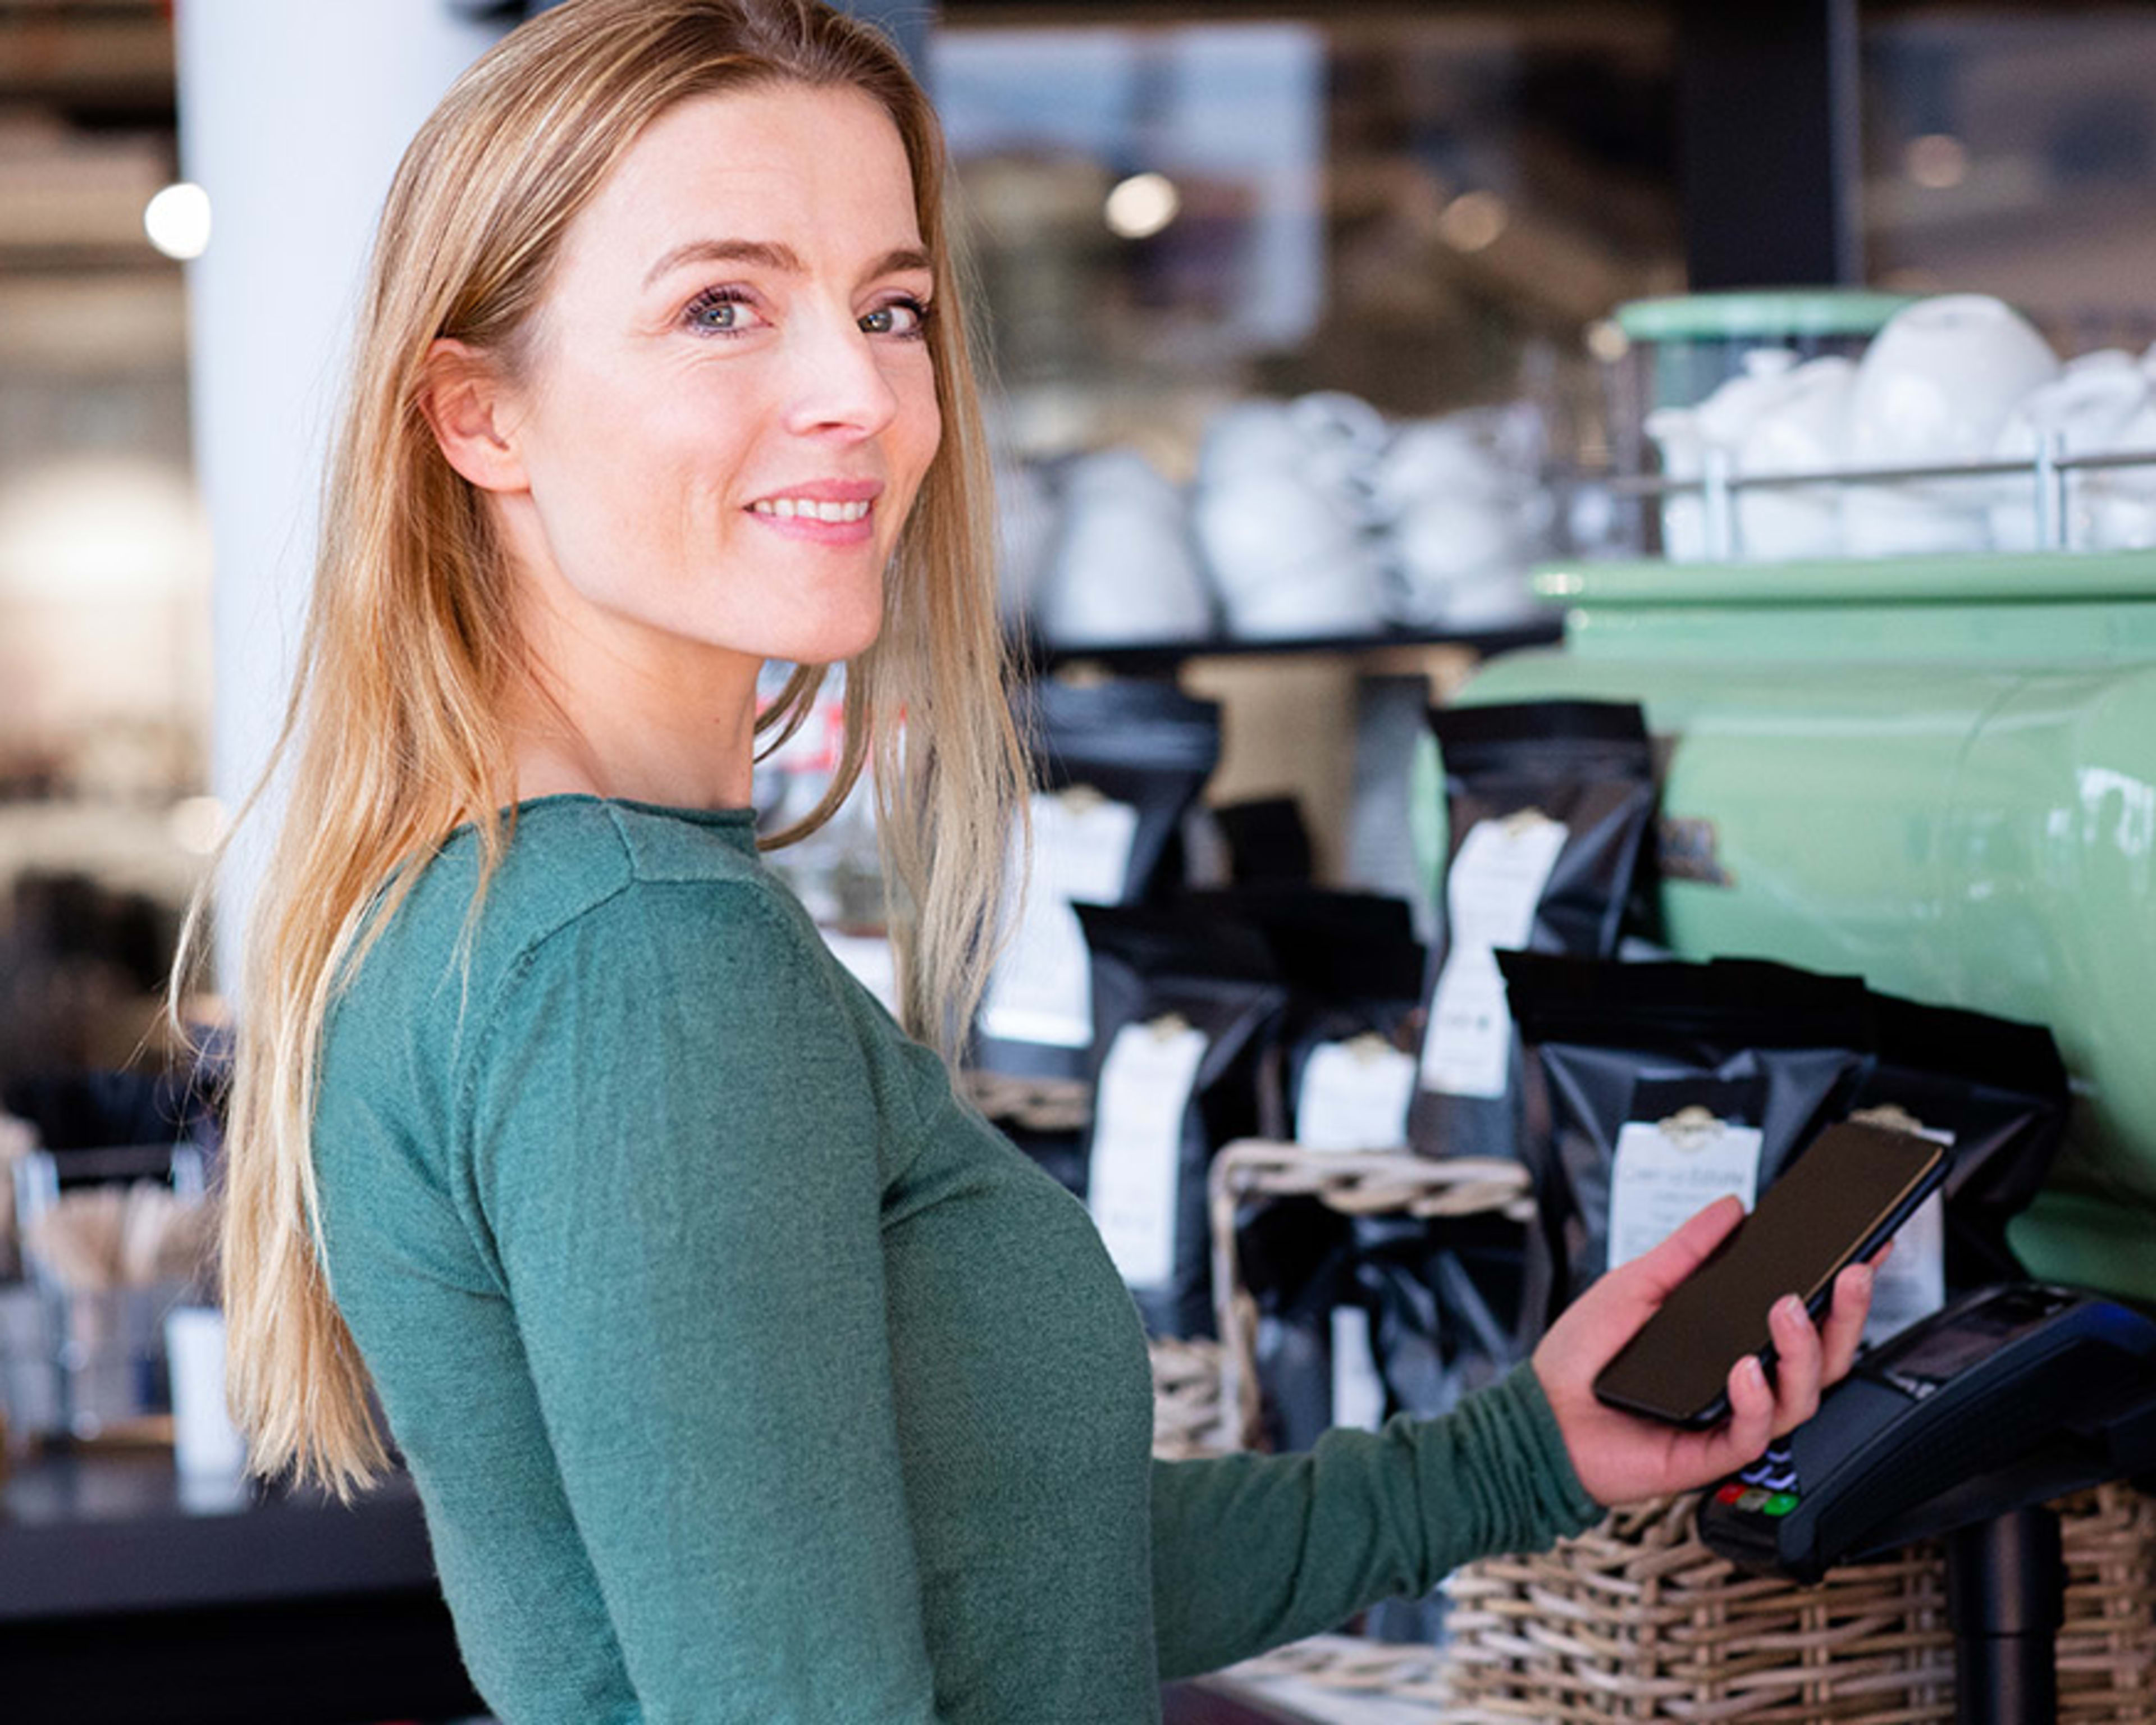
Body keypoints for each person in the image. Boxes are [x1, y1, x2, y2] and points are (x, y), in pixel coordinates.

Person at [185, 3, 1880, 1721]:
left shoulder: (478, 907)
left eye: (891, 307)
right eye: (721, 307)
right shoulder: (639, 961)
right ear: (482, 418)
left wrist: (1515, 1458)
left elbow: (997, 1574)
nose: (860, 392)